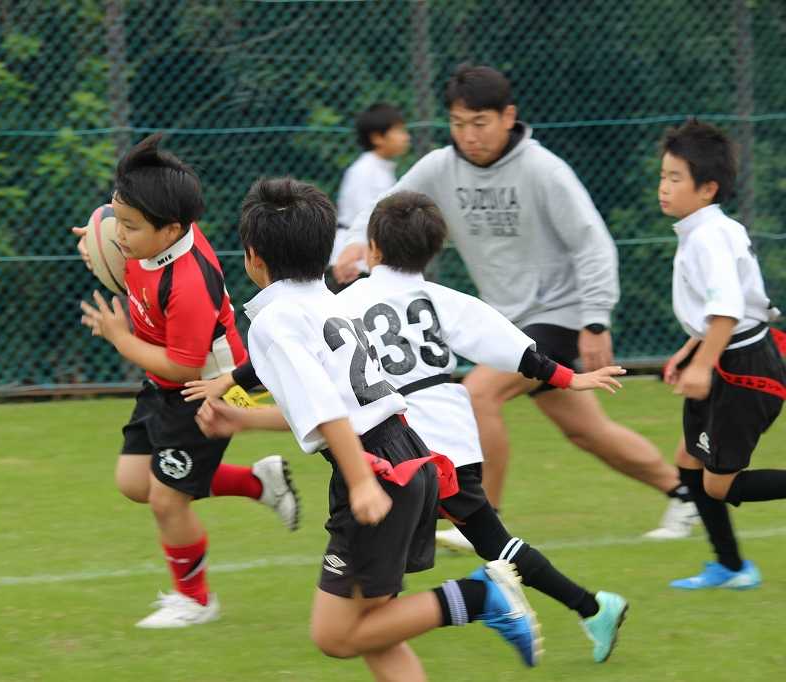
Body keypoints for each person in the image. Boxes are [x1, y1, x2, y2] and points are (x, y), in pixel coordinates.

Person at [189, 191, 630, 663]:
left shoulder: (344, 300)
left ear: (373, 248)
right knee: (451, 567)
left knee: (468, 560)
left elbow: (306, 372)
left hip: (396, 453)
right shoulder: (438, 298)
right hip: (442, 440)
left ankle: (523, 600)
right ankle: (584, 606)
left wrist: (230, 381)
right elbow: (507, 343)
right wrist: (567, 377)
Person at [333, 63, 697, 546]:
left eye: (480, 123)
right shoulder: (441, 166)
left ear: (508, 117)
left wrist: (595, 319)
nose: (469, 136)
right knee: (587, 431)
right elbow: (385, 205)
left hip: (558, 316)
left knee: (478, 394)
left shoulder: (544, 170)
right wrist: (356, 243)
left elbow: (592, 244)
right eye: (458, 123)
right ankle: (685, 493)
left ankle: (483, 522)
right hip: (509, 321)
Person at [75, 134, 300, 628]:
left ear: (172, 229)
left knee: (166, 499)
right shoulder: (150, 229)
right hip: (163, 381)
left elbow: (184, 364)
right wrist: (95, 235)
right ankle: (256, 483)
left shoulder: (190, 281)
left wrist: (119, 338)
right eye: (117, 220)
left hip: (205, 389)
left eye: (128, 227)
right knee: (134, 482)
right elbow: (114, 229)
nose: (119, 235)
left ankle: (195, 601)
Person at [658, 119, 786, 589]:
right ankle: (731, 569)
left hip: (744, 368)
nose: (664, 187)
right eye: (663, 176)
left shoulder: (709, 236)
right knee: (689, 458)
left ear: (708, 188)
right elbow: (719, 309)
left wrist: (703, 365)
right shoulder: (705, 230)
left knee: (719, 484)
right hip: (730, 356)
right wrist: (690, 350)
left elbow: (729, 309)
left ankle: (734, 570)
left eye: (676, 178)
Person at [327, 102, 411, 293]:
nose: (406, 137)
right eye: (399, 131)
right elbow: (364, 217)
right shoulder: (364, 170)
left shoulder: (382, 169)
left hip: (369, 259)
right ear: (377, 138)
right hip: (354, 263)